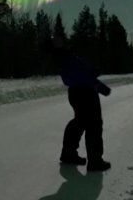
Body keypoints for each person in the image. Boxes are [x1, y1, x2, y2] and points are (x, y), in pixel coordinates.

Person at [45, 37, 112, 172]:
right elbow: (80, 75)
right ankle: (95, 161)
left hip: (78, 92)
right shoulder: (65, 56)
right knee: (93, 125)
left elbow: (79, 71)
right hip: (85, 92)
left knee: (80, 122)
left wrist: (92, 72)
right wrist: (97, 84)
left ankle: (69, 154)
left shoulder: (66, 57)